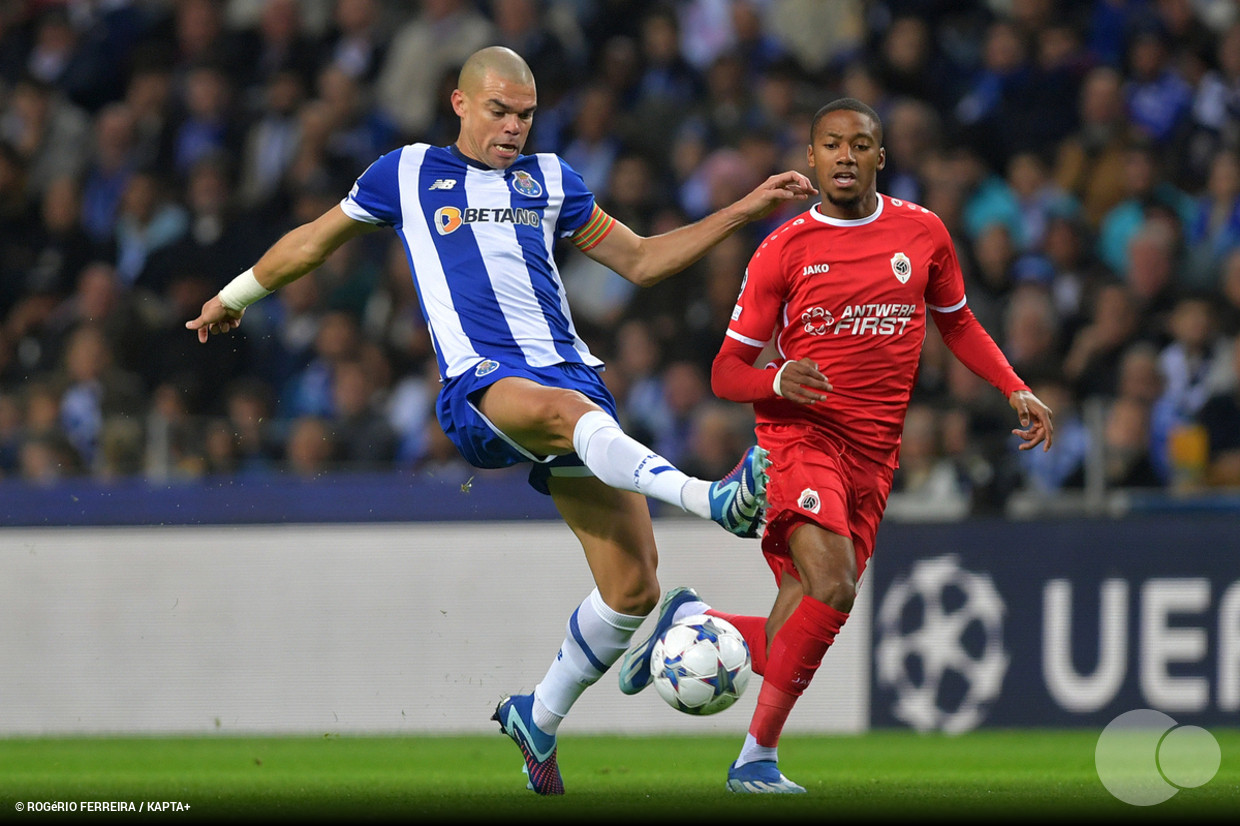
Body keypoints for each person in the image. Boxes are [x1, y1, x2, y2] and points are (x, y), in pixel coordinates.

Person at [185, 46, 815, 796]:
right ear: (460, 102)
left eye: (525, 114)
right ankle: (713, 500)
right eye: (499, 111)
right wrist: (234, 296)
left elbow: (642, 261)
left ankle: (537, 716)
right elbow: (313, 241)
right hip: (482, 388)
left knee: (634, 590)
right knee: (564, 412)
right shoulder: (407, 172)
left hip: (574, 382)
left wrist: (744, 208)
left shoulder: (552, 180)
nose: (514, 127)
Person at [617, 98, 1055, 793]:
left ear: (881, 156)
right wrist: (779, 376)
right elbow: (726, 373)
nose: (845, 156)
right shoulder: (783, 248)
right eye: (830, 145)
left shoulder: (924, 234)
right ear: (812, 158)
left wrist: (1014, 385)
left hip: (875, 455)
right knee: (835, 587)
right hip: (799, 437)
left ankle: (697, 622)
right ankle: (755, 759)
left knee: (799, 619)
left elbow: (959, 321)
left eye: (859, 144)